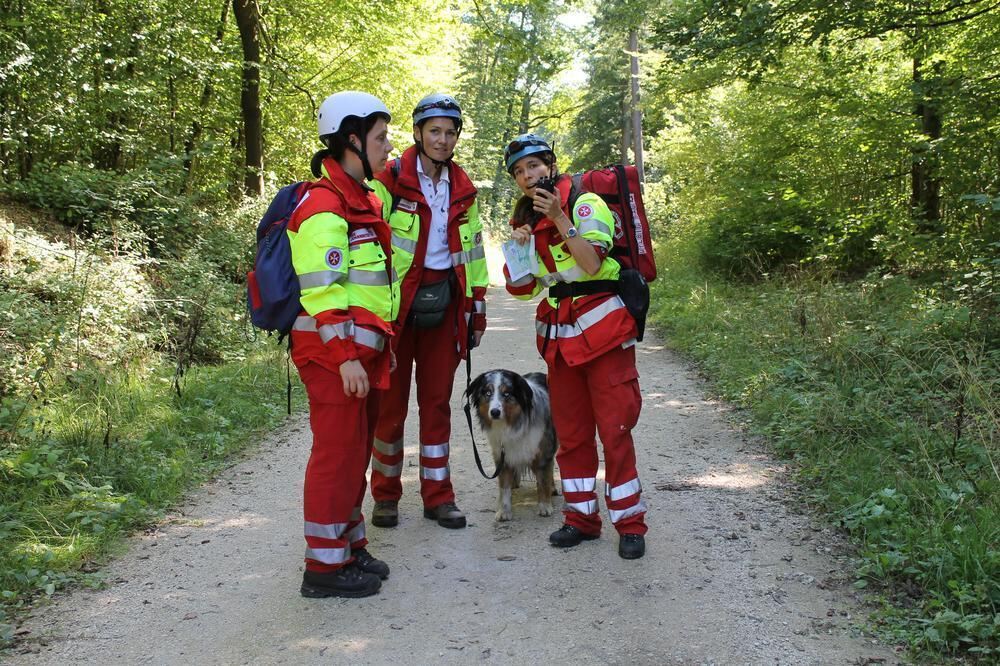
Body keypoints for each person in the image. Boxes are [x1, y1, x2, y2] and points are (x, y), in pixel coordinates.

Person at [501, 133, 648, 559]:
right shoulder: (528, 220)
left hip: (604, 334)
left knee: (615, 431)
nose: (528, 177)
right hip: (560, 341)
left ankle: (630, 524)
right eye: (520, 172)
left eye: (534, 166)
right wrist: (519, 247)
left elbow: (591, 263)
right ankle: (581, 519)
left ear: (550, 164)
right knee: (573, 435)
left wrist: (562, 218)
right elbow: (523, 289)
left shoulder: (585, 205)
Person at [289, 91, 396, 598]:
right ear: (351, 140)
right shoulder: (323, 204)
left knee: (355, 452)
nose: (388, 147)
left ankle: (350, 546)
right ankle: (324, 569)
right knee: (336, 455)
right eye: (380, 138)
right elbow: (322, 292)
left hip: (360, 355)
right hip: (333, 354)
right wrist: (347, 355)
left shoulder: (363, 198)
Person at [367, 93, 488, 529]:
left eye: (450, 132)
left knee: (436, 404)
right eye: (434, 131)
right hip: (395, 311)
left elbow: (473, 251)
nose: (442, 139)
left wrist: (477, 307)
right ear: (418, 133)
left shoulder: (464, 188)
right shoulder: (389, 179)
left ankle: (438, 496)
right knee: (389, 406)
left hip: (446, 304)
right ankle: (385, 496)